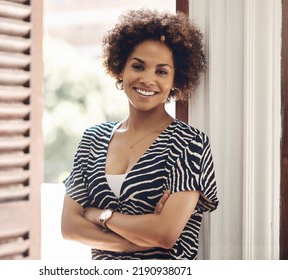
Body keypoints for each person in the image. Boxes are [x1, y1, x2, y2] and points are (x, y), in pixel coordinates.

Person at [61, 8, 219, 260]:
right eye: (138, 66)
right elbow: (69, 228)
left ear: (175, 80)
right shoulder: (92, 139)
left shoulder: (189, 144)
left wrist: (99, 215)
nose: (148, 79)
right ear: (120, 69)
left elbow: (164, 234)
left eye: (161, 71)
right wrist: (129, 243)